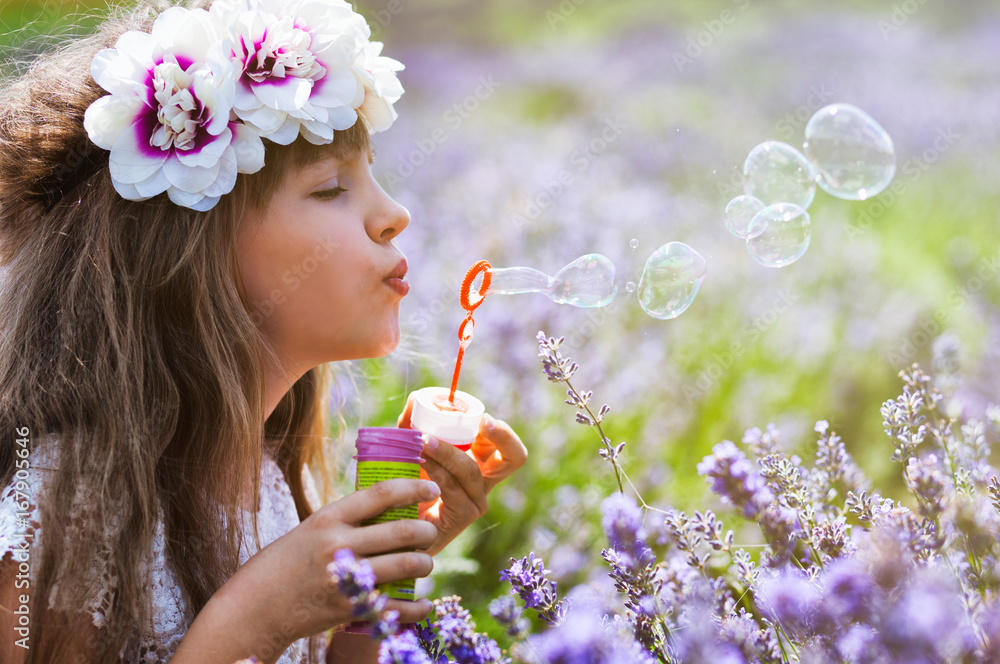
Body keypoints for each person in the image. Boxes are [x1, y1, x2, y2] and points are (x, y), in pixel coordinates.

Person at [0, 1, 527, 663]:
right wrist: (251, 621)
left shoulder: (265, 479)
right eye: (333, 187)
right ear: (192, 255)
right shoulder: (71, 502)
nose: (394, 214)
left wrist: (376, 586)